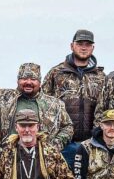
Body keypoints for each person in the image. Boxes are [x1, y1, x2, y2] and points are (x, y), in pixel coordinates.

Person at [41, 29, 105, 168]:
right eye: (80, 43)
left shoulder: (100, 77)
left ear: (92, 48)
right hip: (63, 144)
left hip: (91, 144)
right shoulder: (56, 73)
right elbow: (42, 103)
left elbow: (105, 108)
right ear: (72, 46)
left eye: (88, 44)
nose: (83, 47)